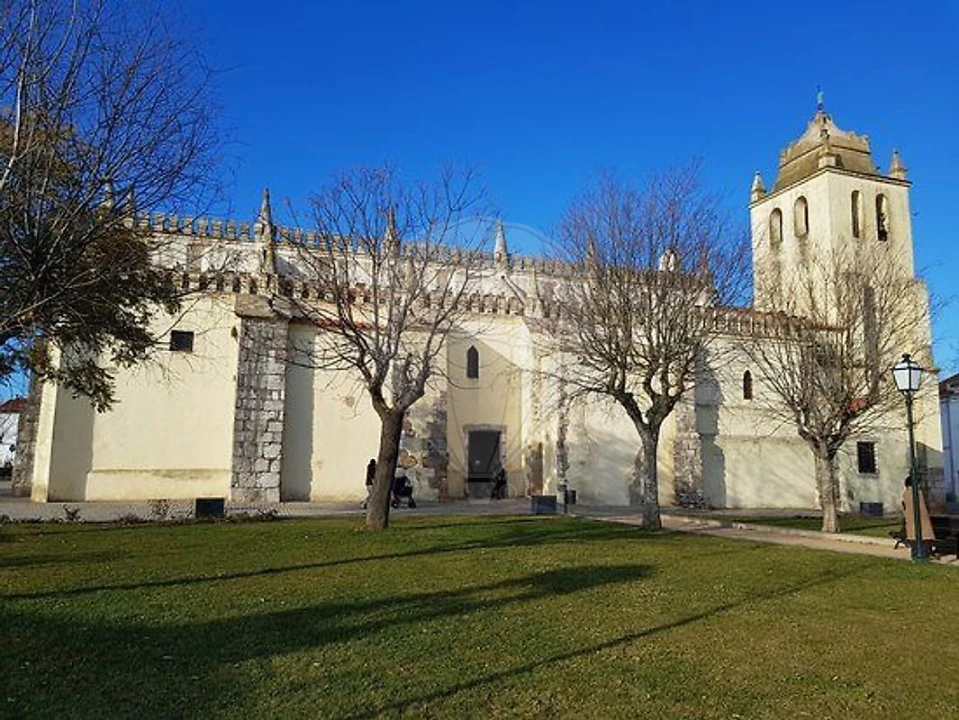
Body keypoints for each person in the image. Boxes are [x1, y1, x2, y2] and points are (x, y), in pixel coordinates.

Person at [902, 475, 935, 555]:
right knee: (923, 537)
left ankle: (917, 553)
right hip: (921, 522)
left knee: (916, 538)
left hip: (912, 523)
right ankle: (922, 554)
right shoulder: (918, 493)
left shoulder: (906, 494)